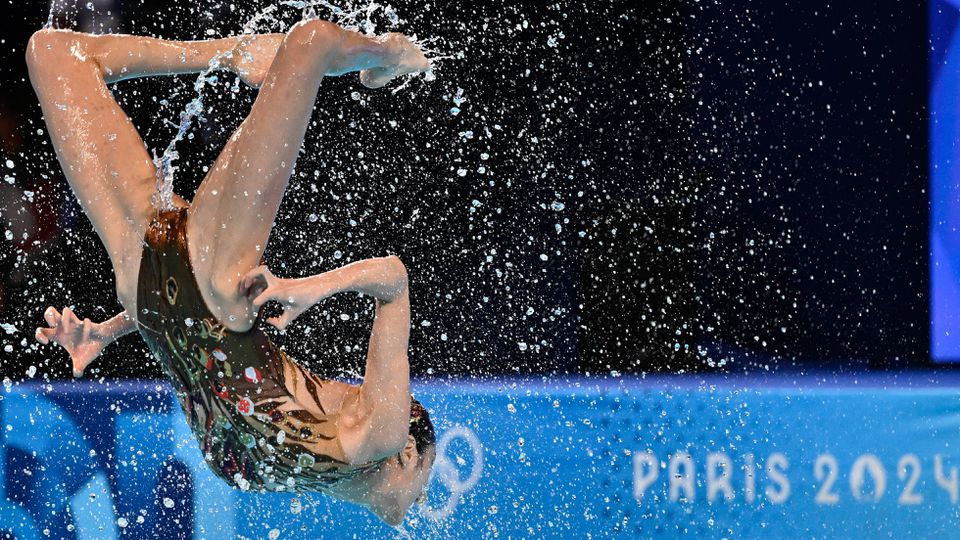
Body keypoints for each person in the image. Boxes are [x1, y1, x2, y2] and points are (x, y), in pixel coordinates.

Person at [25, 18, 435, 526]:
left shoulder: (291, 475)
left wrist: (108, 330)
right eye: (422, 488)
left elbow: (205, 363)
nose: (414, 508)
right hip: (219, 290)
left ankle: (231, 51)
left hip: (145, 294)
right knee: (309, 44)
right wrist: (305, 290)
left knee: (50, 54)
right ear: (410, 456)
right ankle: (388, 52)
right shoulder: (380, 434)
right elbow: (393, 280)